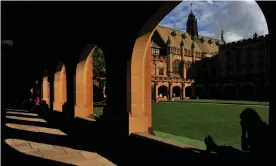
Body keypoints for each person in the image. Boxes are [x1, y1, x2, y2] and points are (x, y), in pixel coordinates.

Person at [204, 108, 271, 160]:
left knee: (231, 151)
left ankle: (214, 148)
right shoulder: (254, 128)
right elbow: (244, 147)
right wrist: (244, 131)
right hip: (254, 155)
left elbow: (246, 150)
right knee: (231, 150)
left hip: (257, 157)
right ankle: (215, 147)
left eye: (245, 121)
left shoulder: (260, 129)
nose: (244, 124)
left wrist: (244, 131)